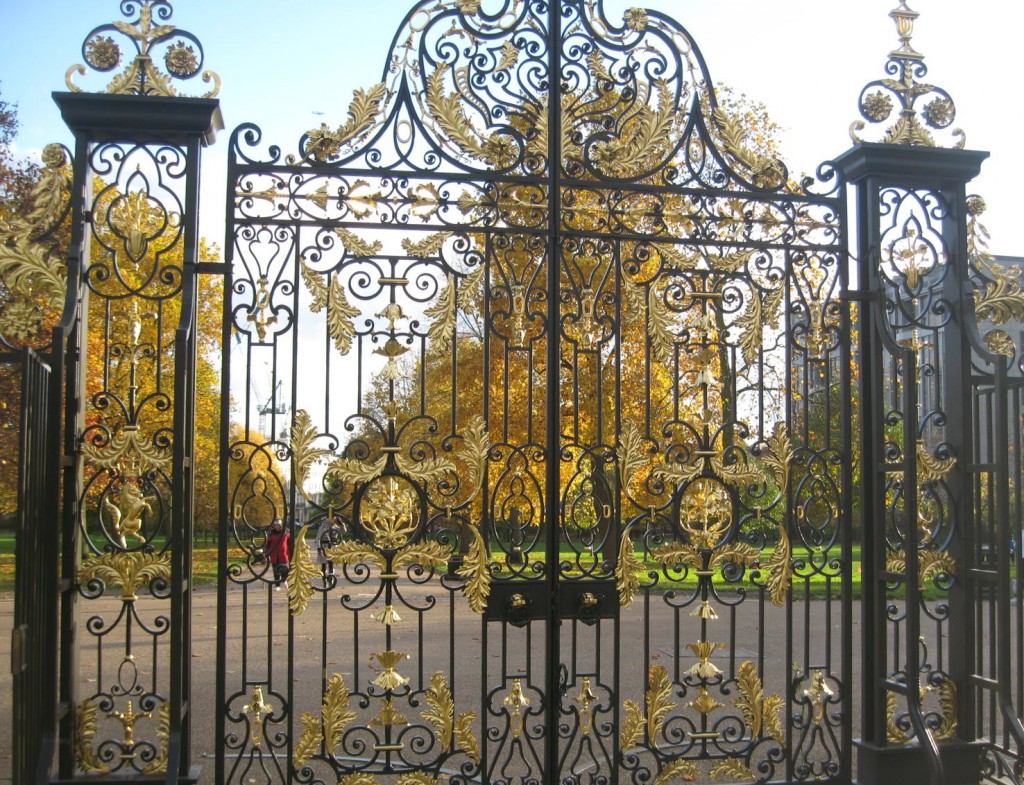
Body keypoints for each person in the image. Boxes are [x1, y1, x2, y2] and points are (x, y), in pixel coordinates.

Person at [264, 518, 291, 590]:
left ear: (280, 525)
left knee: (284, 569)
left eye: (277, 525)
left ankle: (284, 580)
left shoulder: (286, 533)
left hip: (283, 554)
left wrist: (290, 552)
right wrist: (265, 552)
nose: (276, 526)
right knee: (276, 570)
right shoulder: (271, 534)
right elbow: (267, 544)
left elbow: (290, 543)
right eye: (275, 525)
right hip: (274, 554)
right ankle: (277, 585)